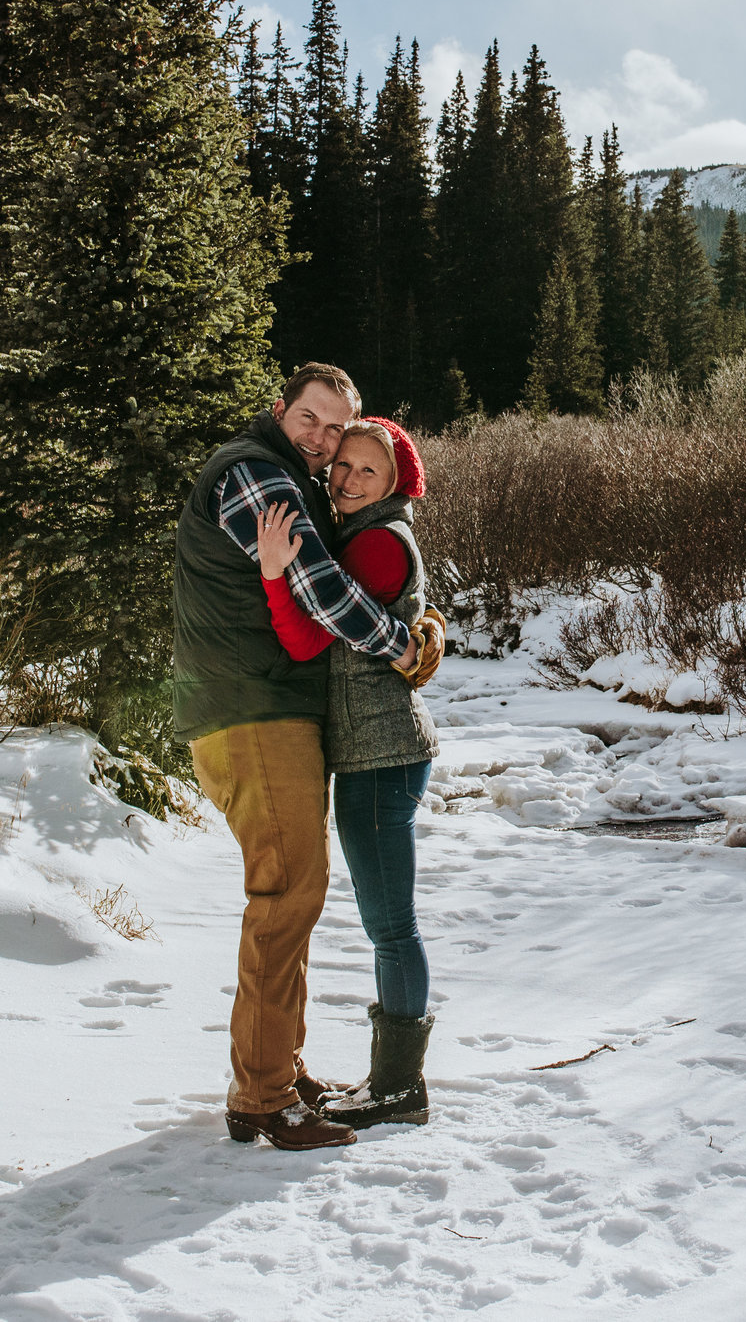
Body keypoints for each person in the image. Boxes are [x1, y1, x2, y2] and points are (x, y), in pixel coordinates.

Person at [170, 364, 445, 1151]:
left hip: (269, 707)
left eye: (338, 431)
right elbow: (320, 590)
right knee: (288, 892)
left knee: (294, 893)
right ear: (279, 408)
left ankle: (279, 1073)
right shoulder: (260, 474)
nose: (324, 441)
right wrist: (402, 644)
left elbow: (358, 574)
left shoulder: (295, 476)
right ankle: (263, 1096)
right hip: (250, 708)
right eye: (312, 419)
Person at [254, 418, 443, 1129]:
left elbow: (310, 631)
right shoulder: (365, 533)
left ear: (396, 484)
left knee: (391, 926)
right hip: (376, 756)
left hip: (380, 760)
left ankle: (399, 1087)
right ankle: (394, 1080)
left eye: (369, 470)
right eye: (344, 466)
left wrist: (275, 570)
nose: (349, 478)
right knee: (386, 923)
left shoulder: (375, 543)